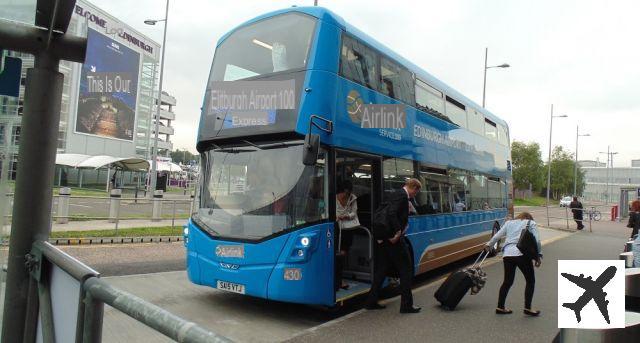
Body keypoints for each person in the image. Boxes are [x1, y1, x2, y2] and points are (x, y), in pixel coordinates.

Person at [365, 178, 422, 314]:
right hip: (394, 239)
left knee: (382, 269)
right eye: (416, 192)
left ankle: (370, 302)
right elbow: (391, 213)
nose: (415, 195)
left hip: (384, 238)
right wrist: (397, 232)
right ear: (413, 188)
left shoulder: (394, 193)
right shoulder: (403, 196)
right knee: (406, 270)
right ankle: (406, 305)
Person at [484, 212, 543, 316]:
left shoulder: (509, 223)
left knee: (507, 281)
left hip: (507, 254)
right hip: (522, 254)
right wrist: (538, 255)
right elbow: (537, 240)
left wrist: (489, 245)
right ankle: (527, 308)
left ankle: (500, 307)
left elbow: (497, 235)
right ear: (528, 218)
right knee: (530, 281)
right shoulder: (531, 223)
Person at [336, 180, 360, 290]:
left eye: (348, 192)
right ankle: (337, 279)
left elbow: (354, 213)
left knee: (342, 255)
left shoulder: (352, 198)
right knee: (334, 255)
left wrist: (346, 216)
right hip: (335, 228)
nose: (346, 195)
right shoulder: (332, 197)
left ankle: (339, 280)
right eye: (345, 192)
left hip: (347, 229)